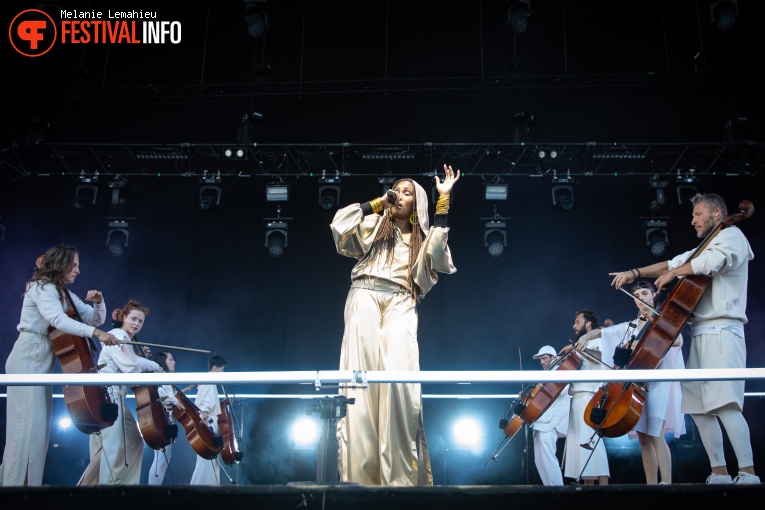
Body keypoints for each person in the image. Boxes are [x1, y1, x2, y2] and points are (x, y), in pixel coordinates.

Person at [610, 192, 759, 484]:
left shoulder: (732, 235)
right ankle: (719, 472)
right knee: (699, 407)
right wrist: (634, 272)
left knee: (725, 402)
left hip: (723, 331)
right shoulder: (704, 246)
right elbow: (669, 264)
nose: (693, 221)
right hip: (700, 332)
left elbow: (709, 264)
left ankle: (748, 471)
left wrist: (674, 274)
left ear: (716, 214)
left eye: (698, 214)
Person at [330, 165, 460, 486]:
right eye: (397, 190)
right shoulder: (375, 225)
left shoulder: (421, 238)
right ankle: (359, 479)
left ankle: (399, 481)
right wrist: (379, 202)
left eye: (407, 192)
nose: (400, 195)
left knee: (399, 382)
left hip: (402, 299)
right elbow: (340, 223)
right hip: (364, 293)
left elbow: (439, 253)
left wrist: (443, 199)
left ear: (417, 203)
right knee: (358, 380)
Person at [0, 245, 119, 487]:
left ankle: (27, 489)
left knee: (39, 432)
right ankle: (12, 490)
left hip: (42, 357)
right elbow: (57, 319)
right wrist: (96, 333)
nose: (78, 270)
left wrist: (99, 303)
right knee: (25, 429)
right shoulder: (41, 286)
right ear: (61, 264)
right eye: (74, 265)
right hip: (28, 354)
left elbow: (93, 318)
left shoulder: (62, 292)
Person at [575, 280, 686, 484]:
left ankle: (667, 484)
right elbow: (604, 332)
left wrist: (654, 327)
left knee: (656, 433)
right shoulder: (631, 326)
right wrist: (588, 335)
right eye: (638, 295)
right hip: (636, 384)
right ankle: (652, 485)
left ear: (653, 296)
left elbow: (677, 340)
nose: (641, 298)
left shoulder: (662, 320)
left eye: (645, 293)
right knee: (643, 437)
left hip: (656, 381)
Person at [78, 300, 163, 485]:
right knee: (112, 448)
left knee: (134, 441)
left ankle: (118, 486)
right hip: (108, 397)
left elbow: (131, 363)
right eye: (133, 318)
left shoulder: (126, 338)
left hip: (117, 398)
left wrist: (141, 358)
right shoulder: (117, 334)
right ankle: (104, 490)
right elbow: (129, 366)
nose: (137, 324)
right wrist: (154, 365)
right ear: (123, 317)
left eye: (140, 321)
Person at [562, 309, 610, 485]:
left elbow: (602, 358)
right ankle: (586, 492)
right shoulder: (579, 345)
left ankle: (605, 490)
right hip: (576, 398)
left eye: (577, 322)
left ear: (588, 324)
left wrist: (577, 348)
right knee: (578, 447)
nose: (574, 326)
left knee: (591, 443)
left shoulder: (598, 339)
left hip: (589, 396)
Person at [147, 351, 194, 485]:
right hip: (161, 420)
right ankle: (152, 490)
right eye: (171, 360)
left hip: (167, 420)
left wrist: (182, 393)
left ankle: (155, 487)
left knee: (164, 459)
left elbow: (169, 393)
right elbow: (159, 393)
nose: (174, 362)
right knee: (160, 460)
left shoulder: (165, 377)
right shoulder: (158, 376)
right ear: (163, 362)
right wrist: (174, 400)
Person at [530, 345, 571, 486]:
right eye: (540, 359)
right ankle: (549, 492)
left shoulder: (560, 371)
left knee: (549, 460)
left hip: (550, 423)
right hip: (541, 422)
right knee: (539, 462)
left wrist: (542, 388)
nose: (542, 362)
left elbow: (563, 390)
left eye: (544, 358)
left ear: (554, 357)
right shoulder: (547, 375)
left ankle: (559, 494)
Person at [189, 355, 227, 486]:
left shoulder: (207, 383)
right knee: (207, 462)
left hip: (209, 423)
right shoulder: (209, 382)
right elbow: (204, 408)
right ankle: (200, 492)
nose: (222, 373)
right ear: (215, 368)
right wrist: (206, 433)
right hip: (209, 425)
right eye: (221, 370)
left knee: (209, 462)